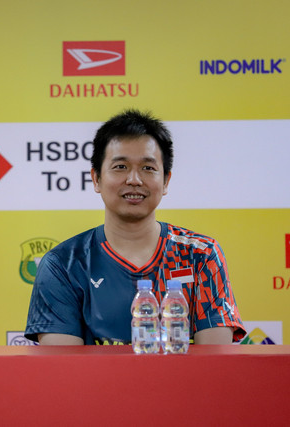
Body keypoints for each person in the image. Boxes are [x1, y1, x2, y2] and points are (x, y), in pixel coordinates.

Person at [25, 109, 245, 345]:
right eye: (120, 167)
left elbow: (214, 364)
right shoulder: (64, 265)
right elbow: (63, 371)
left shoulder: (200, 255)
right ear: (96, 178)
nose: (134, 180)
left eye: (148, 168)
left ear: (166, 180)